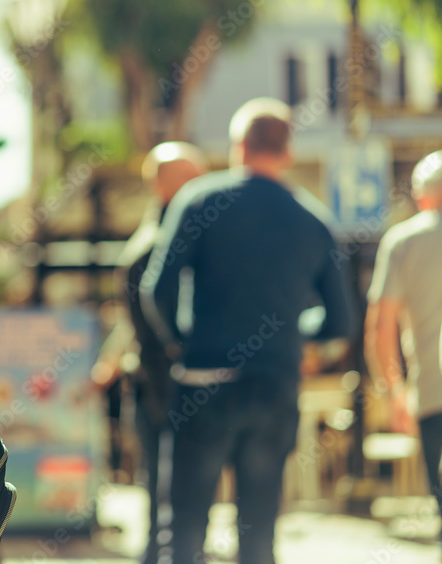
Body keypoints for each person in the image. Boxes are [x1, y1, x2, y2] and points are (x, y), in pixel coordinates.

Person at [139, 98, 357, 564]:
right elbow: (341, 321)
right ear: (288, 152)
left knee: (185, 529)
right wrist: (293, 333)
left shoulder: (198, 200)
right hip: (275, 384)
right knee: (258, 533)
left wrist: (181, 341)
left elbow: (154, 289)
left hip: (203, 380)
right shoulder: (315, 221)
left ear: (238, 147)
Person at [92, 141, 207, 564]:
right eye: (194, 179)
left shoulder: (155, 237)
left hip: (156, 384)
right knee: (168, 493)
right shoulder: (159, 244)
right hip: (165, 386)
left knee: (164, 494)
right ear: (167, 186)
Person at [365, 150, 442, 539]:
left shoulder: (403, 242)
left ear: (420, 195)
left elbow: (381, 327)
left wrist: (394, 392)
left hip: (432, 391)